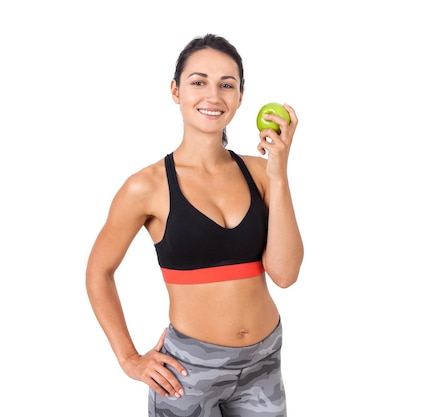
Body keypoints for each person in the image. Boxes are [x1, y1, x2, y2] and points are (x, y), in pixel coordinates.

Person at [85, 33, 304, 417]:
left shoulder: (262, 173)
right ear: (175, 90)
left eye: (227, 85)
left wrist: (280, 173)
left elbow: (285, 275)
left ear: (240, 96)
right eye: (199, 81)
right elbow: (98, 272)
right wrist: (129, 358)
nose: (213, 96)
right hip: (187, 372)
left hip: (263, 363)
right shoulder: (146, 186)